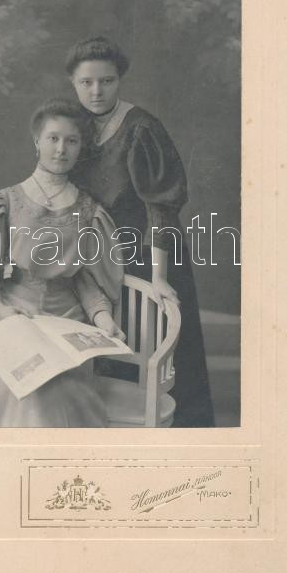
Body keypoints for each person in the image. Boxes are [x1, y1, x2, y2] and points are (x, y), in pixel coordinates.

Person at [0, 98, 124, 428]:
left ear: (80, 147)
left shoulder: (89, 211)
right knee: (5, 390)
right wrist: (3, 312)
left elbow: (85, 280)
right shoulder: (5, 203)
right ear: (37, 141)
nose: (61, 149)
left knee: (51, 392)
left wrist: (103, 319)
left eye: (71, 141)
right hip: (12, 320)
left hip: (66, 324)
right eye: (53, 138)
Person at [67, 36, 215, 427]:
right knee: (109, 352)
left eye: (107, 81)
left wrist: (159, 277)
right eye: (86, 82)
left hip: (151, 253)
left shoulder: (141, 128)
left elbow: (160, 207)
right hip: (99, 257)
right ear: (73, 83)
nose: (96, 91)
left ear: (120, 80)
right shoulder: (74, 127)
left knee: (156, 353)